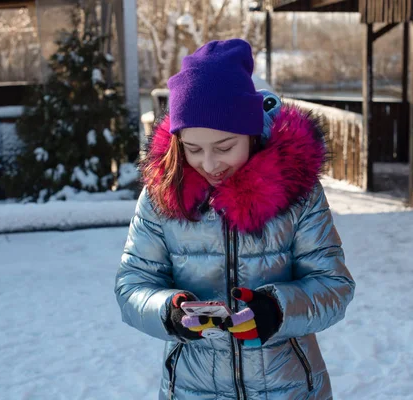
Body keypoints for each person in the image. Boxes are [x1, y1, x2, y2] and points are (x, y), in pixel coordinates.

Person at [115, 38, 355, 400]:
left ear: (250, 131)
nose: (209, 165)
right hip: (192, 390)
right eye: (193, 149)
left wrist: (277, 310)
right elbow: (132, 286)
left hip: (288, 389)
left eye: (225, 147)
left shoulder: (298, 191)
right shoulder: (162, 193)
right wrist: (170, 312)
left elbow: (334, 286)